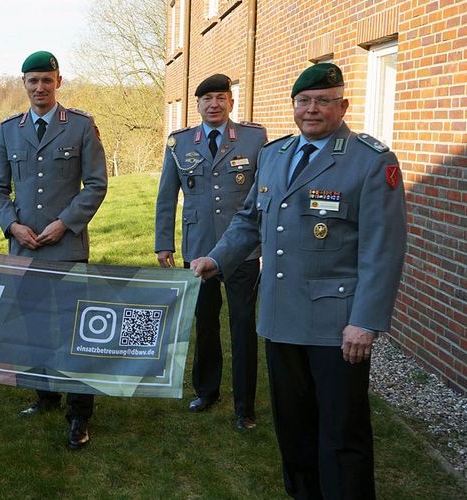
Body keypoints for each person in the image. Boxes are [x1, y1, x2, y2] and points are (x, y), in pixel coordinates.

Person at [190, 63, 406, 499]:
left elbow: (384, 249)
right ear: (293, 106)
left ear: (343, 105)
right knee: (294, 428)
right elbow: (249, 220)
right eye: (304, 101)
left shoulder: (369, 160)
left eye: (324, 101)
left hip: (336, 325)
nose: (312, 110)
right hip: (280, 316)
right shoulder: (275, 155)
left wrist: (365, 321)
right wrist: (216, 259)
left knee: (343, 433)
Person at [0, 50, 107, 449]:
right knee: (36, 329)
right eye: (32, 80)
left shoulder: (81, 127)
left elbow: (96, 184)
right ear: (23, 84)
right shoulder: (8, 130)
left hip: (67, 248)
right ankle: (45, 395)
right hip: (26, 249)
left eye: (46, 80)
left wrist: (65, 223)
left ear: (59, 82)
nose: (40, 87)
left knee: (75, 333)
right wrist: (12, 225)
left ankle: (79, 414)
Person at [154, 74, 265, 430]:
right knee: (205, 321)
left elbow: (263, 195)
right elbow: (166, 196)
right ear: (197, 105)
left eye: (220, 98)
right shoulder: (179, 143)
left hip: (242, 250)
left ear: (231, 102)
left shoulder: (253, 139)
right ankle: (206, 390)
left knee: (243, 324)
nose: (214, 104)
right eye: (207, 99)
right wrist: (163, 242)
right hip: (199, 247)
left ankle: (245, 405)